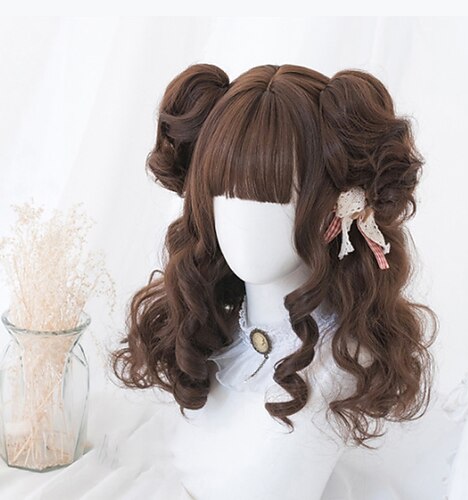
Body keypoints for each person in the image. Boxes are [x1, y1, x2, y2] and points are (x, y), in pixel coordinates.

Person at [111, 63, 438, 499]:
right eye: (223, 192)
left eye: (275, 195)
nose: (243, 221)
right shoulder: (214, 332)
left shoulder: (337, 368)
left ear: (338, 205)